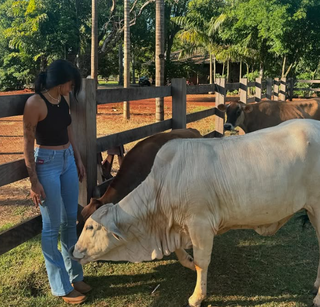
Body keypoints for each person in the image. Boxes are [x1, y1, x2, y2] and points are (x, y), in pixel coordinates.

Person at [23, 59, 91, 304]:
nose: (72, 87)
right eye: (71, 82)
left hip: (67, 162)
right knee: (51, 227)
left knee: (69, 221)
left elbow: (69, 131)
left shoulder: (62, 101)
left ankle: (75, 276)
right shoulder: (35, 104)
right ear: (61, 81)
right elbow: (27, 146)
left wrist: (78, 159)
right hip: (46, 164)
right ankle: (60, 286)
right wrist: (34, 182)